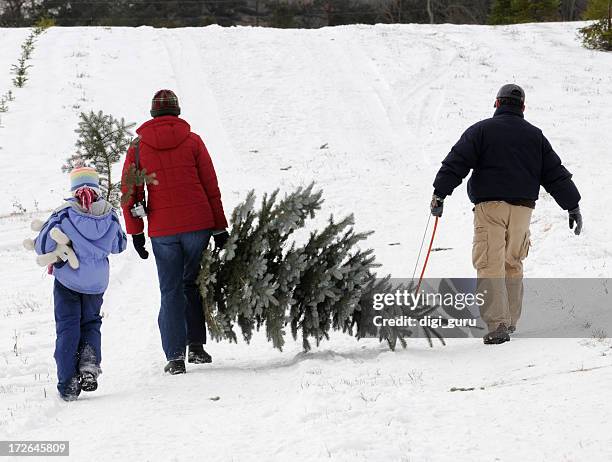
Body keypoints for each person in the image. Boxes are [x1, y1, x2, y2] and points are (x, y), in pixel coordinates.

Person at [431, 84, 582, 345]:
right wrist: (573, 205)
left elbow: (456, 162)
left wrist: (439, 193)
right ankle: (509, 321)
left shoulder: (481, 130)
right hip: (523, 209)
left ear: (497, 104)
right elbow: (555, 173)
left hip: (491, 208)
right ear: (522, 107)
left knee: (490, 262)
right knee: (513, 262)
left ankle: (498, 324)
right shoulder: (535, 136)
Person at [121, 89, 229, 374]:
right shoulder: (193, 141)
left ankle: (175, 356)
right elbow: (211, 187)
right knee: (190, 283)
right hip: (198, 225)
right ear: (177, 111)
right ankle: (196, 346)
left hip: (164, 230)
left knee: (170, 289)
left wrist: (136, 232)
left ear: (153, 114)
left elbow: (130, 192)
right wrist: (219, 228)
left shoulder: (138, 148)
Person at [34, 167, 127, 400]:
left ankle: (68, 384)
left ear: (73, 187)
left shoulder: (63, 213)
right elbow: (119, 245)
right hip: (96, 283)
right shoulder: (109, 213)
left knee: (68, 326)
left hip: (68, 280)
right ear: (96, 187)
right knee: (91, 323)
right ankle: (88, 365)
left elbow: (43, 246)